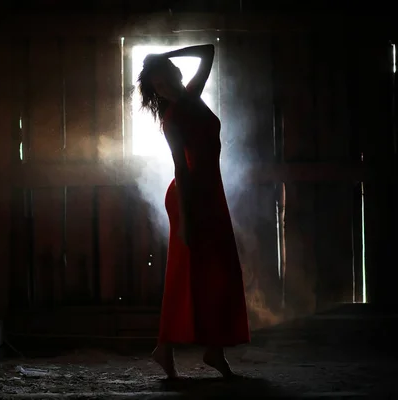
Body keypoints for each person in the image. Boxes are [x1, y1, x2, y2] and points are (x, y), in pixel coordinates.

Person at [136, 44, 250, 379]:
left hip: (211, 194)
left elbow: (209, 50)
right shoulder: (172, 119)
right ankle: (165, 348)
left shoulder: (192, 95)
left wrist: (162, 55)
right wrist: (185, 220)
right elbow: (181, 171)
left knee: (219, 273)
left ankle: (214, 350)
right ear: (156, 91)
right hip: (189, 198)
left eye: (168, 79)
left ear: (176, 74)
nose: (166, 89)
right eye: (158, 87)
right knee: (184, 275)